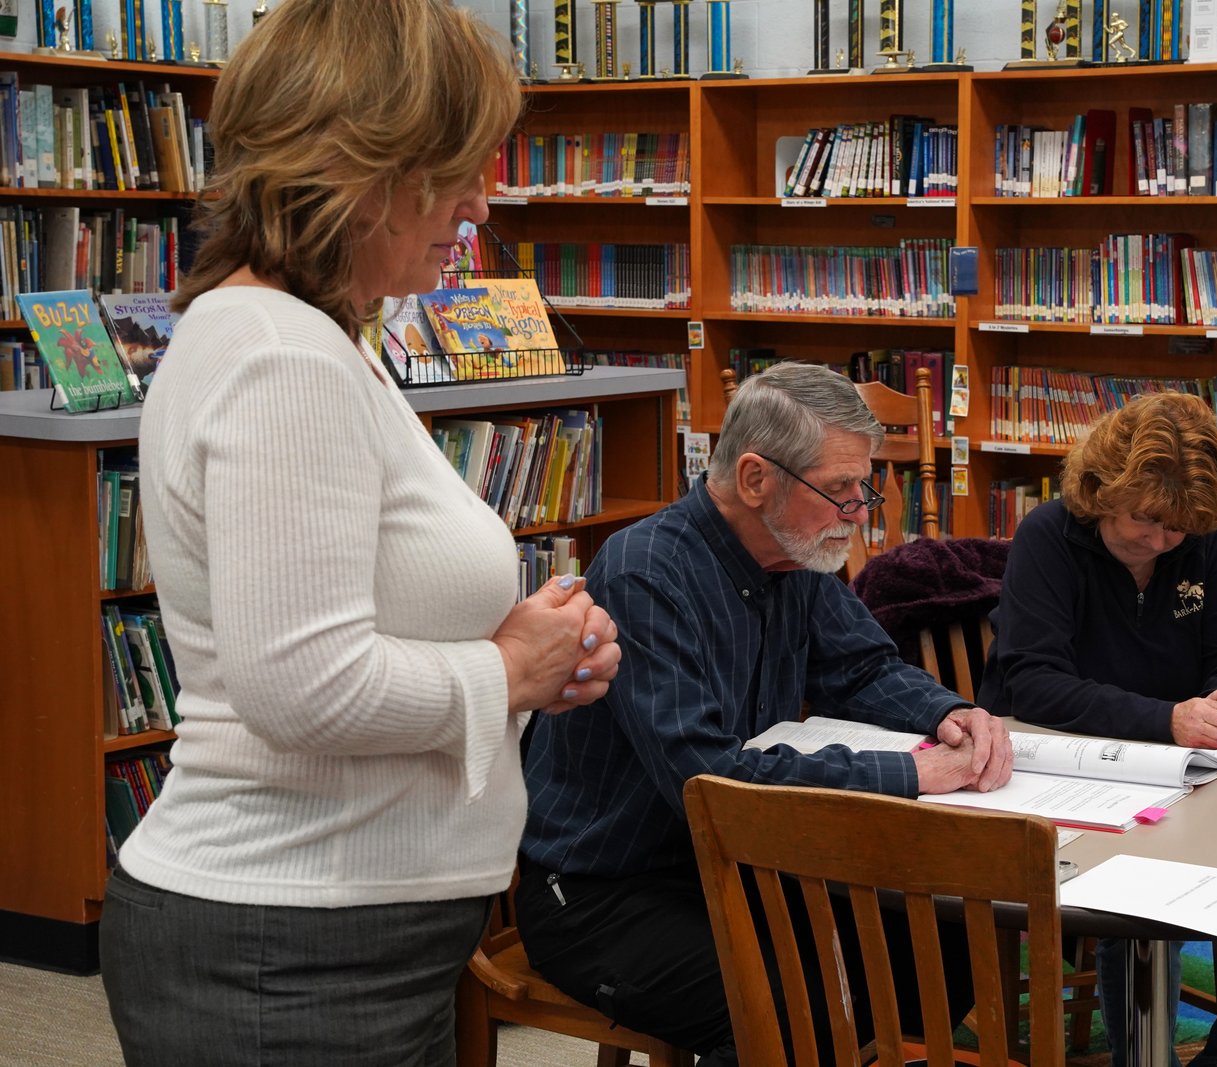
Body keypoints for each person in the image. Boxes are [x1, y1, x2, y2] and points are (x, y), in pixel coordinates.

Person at [97, 3, 621, 1064]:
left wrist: (525, 643)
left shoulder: (305, 335)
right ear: (358, 165)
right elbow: (303, 684)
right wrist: (507, 671)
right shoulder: (284, 356)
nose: (480, 202)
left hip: (335, 932)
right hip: (290, 943)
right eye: (455, 169)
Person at [517, 361, 1015, 1065]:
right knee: (792, 1013)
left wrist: (951, 713)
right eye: (840, 489)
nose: (860, 511)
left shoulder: (795, 554)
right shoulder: (645, 571)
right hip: (605, 889)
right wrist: (911, 774)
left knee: (945, 946)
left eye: (864, 487)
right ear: (755, 479)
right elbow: (709, 782)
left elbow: (863, 667)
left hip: (739, 866)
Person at [977, 391, 1217, 1067]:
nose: (1159, 541)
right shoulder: (1048, 535)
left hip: (1186, 773)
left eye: (1177, 529)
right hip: (1065, 773)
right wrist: (1167, 718)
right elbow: (1033, 683)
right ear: (1102, 488)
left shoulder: (1203, 541)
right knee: (1138, 903)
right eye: (1144, 518)